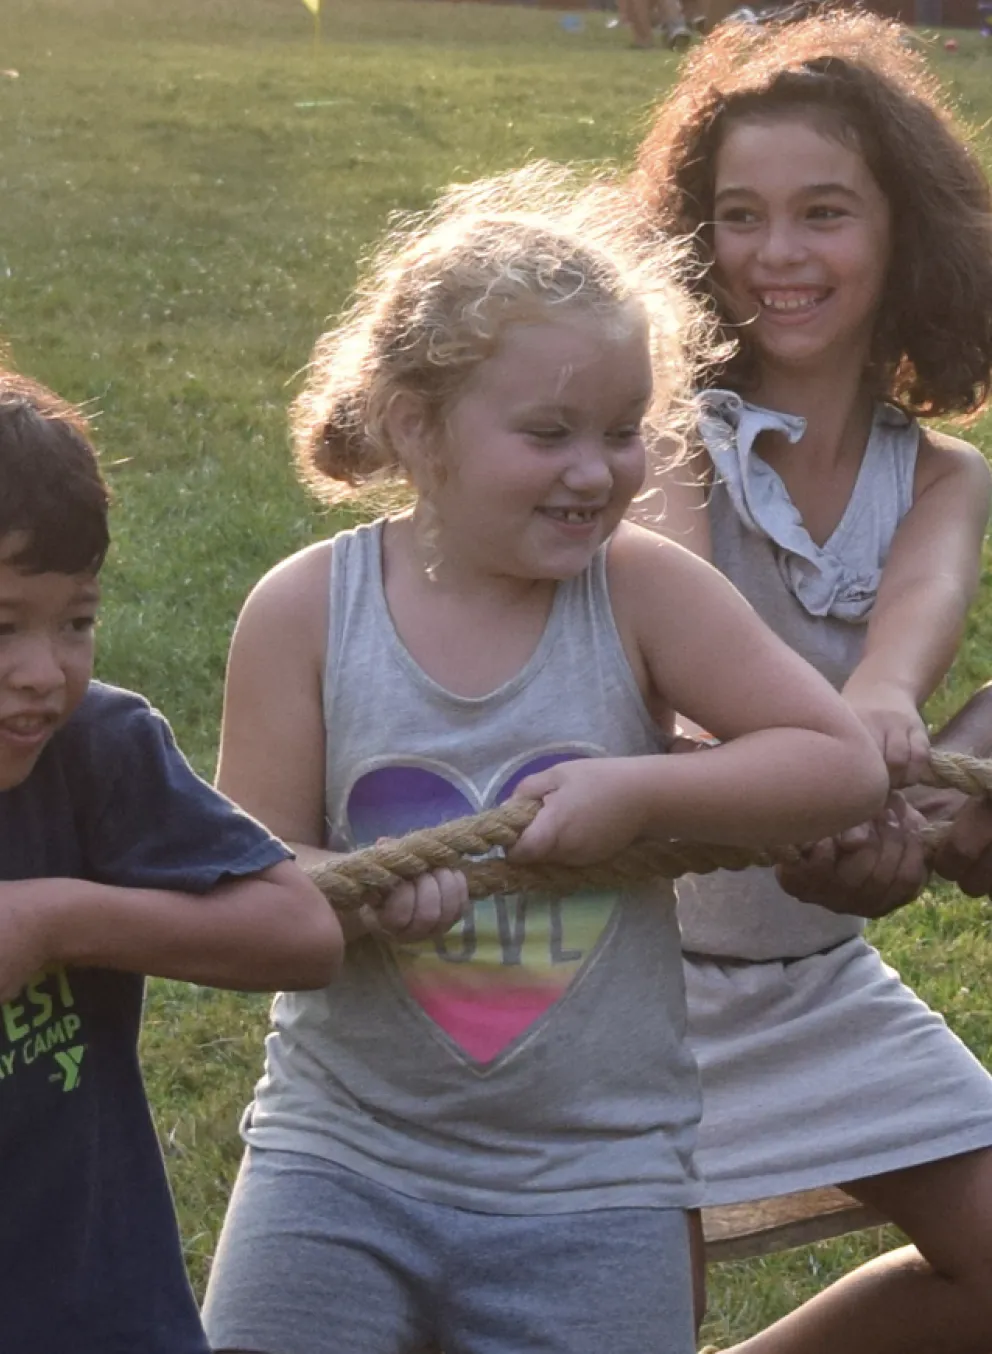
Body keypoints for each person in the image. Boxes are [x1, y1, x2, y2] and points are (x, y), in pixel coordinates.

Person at [199, 162, 887, 1354]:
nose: (596, 470)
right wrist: (361, 901)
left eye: (623, 432)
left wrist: (642, 789)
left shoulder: (641, 591)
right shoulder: (305, 612)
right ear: (417, 426)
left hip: (596, 1175)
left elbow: (837, 762)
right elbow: (248, 881)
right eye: (548, 433)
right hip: (340, 1156)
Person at [632, 11, 992, 1352]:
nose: (775, 256)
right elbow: (686, 638)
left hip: (814, 980)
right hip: (635, 978)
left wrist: (883, 718)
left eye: (823, 212)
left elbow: (909, 634)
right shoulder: (669, 443)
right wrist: (830, 755)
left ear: (904, 230)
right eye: (738, 216)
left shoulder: (946, 479)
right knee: (624, 1323)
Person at [0, 367, 344, 1354]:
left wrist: (54, 918)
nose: (44, 669)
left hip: (96, 1314)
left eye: (76, 619)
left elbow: (300, 932)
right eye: (2, 626)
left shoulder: (96, 752)